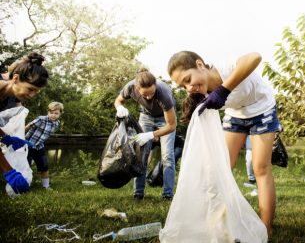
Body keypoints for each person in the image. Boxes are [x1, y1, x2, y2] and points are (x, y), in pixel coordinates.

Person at [168, 51, 280, 235]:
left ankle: (265, 227)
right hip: (236, 115)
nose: (188, 88)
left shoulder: (225, 66)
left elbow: (255, 57)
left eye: (188, 79)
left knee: (260, 168)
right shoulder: (202, 93)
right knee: (220, 166)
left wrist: (223, 89)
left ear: (200, 64)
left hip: (262, 109)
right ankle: (219, 221)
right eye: (183, 86)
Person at [114, 68, 177, 200]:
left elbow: (171, 125)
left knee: (167, 157)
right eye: (145, 95)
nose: (149, 97)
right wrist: (120, 108)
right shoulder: (130, 87)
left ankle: (167, 194)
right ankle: (138, 193)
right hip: (145, 117)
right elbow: (118, 100)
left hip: (164, 119)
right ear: (137, 89)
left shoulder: (163, 93)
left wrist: (150, 135)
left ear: (155, 85)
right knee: (141, 155)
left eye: (151, 93)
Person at [0, 52, 49, 194]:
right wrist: (9, 172)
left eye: (36, 92)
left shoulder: (6, 97)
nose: (32, 95)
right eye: (30, 89)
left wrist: (5, 137)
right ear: (15, 78)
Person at [25, 102, 63, 190]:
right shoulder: (41, 119)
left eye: (56, 113)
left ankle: (46, 186)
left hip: (39, 147)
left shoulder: (56, 123)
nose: (53, 115)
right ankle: (24, 185)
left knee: (44, 166)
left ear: (60, 114)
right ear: (48, 112)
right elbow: (27, 127)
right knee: (26, 167)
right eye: (51, 113)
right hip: (28, 146)